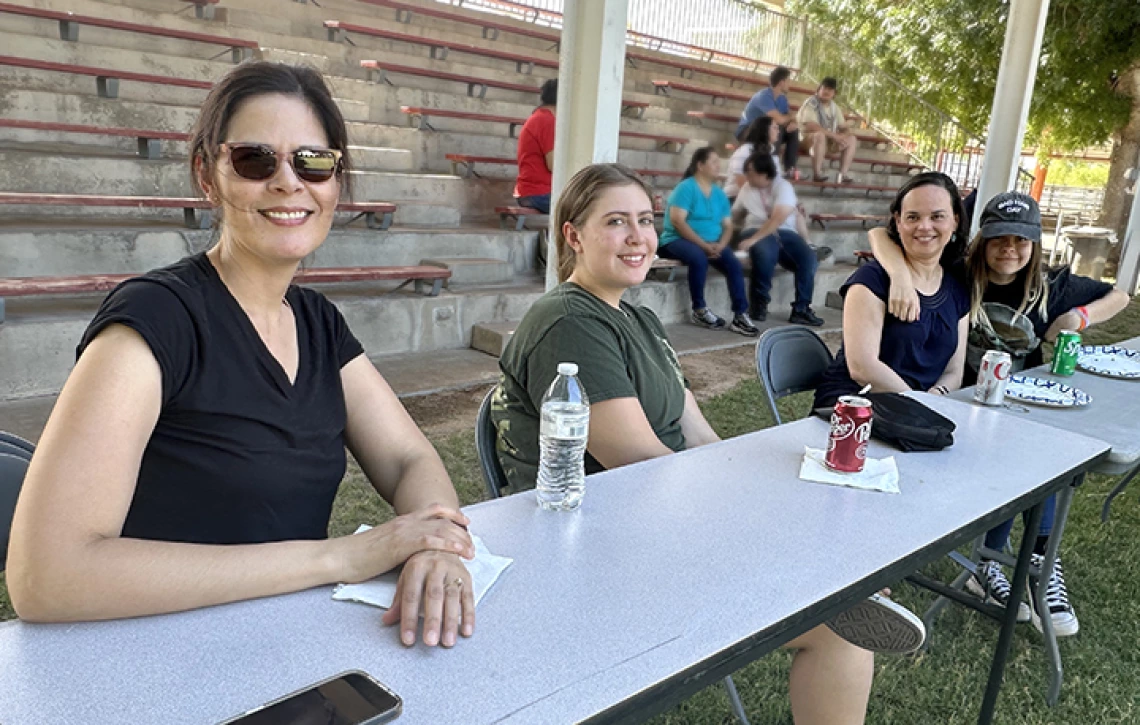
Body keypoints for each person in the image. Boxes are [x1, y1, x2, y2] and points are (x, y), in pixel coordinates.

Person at [7, 63, 478, 651]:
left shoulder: (318, 322)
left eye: (313, 161)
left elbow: (408, 457)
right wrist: (337, 556)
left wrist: (436, 541)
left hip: (277, 644)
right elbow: (47, 577)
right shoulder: (153, 322)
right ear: (208, 175)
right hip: (146, 656)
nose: (288, 183)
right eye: (256, 160)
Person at [491, 162, 925, 725]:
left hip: (656, 525)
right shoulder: (569, 320)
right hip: (602, 548)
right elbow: (641, 465)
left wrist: (758, 499)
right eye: (616, 222)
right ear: (573, 235)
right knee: (838, 627)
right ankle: (822, 585)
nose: (638, 237)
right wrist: (746, 524)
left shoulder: (638, 319)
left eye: (645, 221)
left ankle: (823, 580)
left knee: (822, 576)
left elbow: (699, 436)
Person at [869, 191, 1130, 636]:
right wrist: (896, 272)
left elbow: (1120, 295)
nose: (1009, 250)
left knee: (1047, 452)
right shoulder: (957, 274)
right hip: (959, 401)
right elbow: (880, 233)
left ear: (1034, 246)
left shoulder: (1050, 286)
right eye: (999, 240)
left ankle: (1031, 563)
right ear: (981, 240)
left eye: (1020, 241)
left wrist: (1078, 318)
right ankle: (1011, 562)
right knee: (1031, 455)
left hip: (1019, 406)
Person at [814, 172, 971, 409]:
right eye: (913, 217)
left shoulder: (957, 285)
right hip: (857, 407)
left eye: (937, 216)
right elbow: (862, 368)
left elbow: (954, 370)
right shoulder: (871, 280)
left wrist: (936, 395)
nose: (924, 226)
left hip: (920, 410)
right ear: (898, 222)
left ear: (955, 221)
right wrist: (918, 404)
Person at [659, 147, 758, 336]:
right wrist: (703, 245)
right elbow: (677, 221)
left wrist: (721, 245)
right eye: (713, 161)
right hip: (676, 240)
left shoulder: (719, 193)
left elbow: (728, 226)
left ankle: (740, 314)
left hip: (712, 243)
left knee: (733, 264)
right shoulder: (686, 188)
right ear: (700, 165)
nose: (717, 165)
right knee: (698, 258)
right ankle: (699, 310)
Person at [733, 152, 824, 326]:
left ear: (763, 174)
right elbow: (735, 215)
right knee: (766, 251)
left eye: (750, 172)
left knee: (808, 258)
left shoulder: (783, 187)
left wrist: (753, 240)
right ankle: (759, 302)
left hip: (783, 231)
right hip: (753, 228)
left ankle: (801, 308)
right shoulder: (746, 188)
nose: (747, 175)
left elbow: (777, 219)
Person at [736, 66, 800, 180]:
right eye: (788, 81)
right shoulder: (764, 96)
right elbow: (780, 119)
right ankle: (772, 167)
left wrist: (793, 123)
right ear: (781, 82)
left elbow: (790, 116)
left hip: (764, 131)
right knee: (776, 126)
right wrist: (790, 117)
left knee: (793, 131)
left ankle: (790, 168)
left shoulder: (782, 99)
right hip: (747, 131)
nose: (790, 84)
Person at [797, 77, 858, 184]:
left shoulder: (834, 107)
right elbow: (811, 126)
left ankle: (842, 175)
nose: (827, 92)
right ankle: (817, 174)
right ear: (819, 89)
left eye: (830, 90)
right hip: (807, 140)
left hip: (827, 141)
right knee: (819, 135)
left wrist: (844, 135)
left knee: (852, 139)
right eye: (824, 88)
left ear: (834, 93)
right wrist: (834, 136)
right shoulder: (811, 103)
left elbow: (843, 127)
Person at [513, 78, 557, 213]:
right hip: (540, 193)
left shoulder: (540, 117)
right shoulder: (547, 121)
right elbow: (554, 164)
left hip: (532, 192)